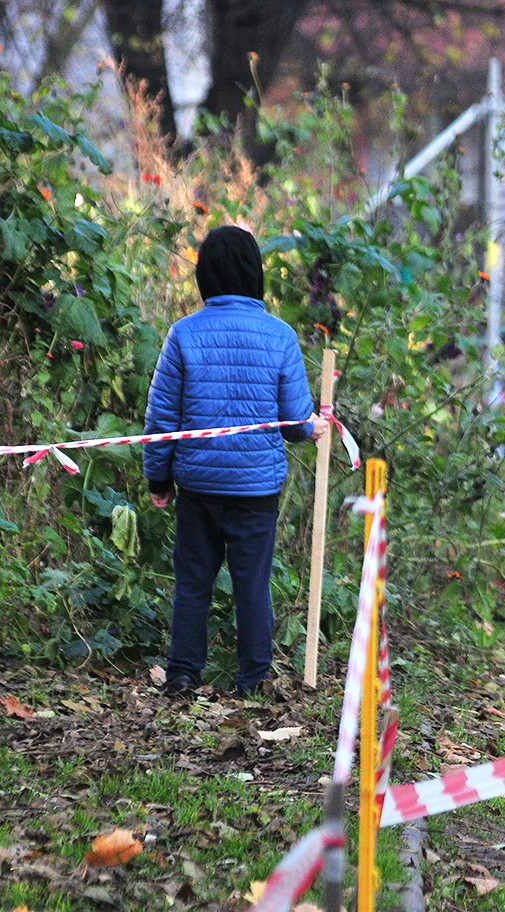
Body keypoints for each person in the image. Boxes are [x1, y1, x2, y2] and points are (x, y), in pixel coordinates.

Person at [144, 225, 327, 697]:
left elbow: (161, 417)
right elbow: (295, 421)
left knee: (192, 584)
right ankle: (254, 679)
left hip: (198, 486)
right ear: (255, 273)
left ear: (205, 275)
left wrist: (158, 478)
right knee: (252, 585)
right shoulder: (281, 336)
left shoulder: (183, 334)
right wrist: (312, 428)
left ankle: (183, 673)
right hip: (256, 489)